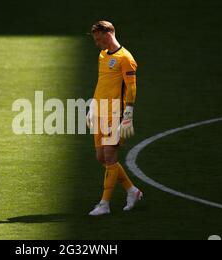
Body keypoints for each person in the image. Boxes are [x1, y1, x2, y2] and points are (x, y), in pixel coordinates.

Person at [87, 21, 143, 216]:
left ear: (108, 33)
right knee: (101, 157)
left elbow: (132, 87)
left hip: (116, 114)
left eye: (98, 38)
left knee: (110, 156)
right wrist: (92, 106)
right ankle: (132, 190)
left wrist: (128, 114)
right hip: (100, 112)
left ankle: (104, 204)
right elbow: (101, 83)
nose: (96, 43)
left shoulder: (125, 58)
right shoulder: (102, 55)